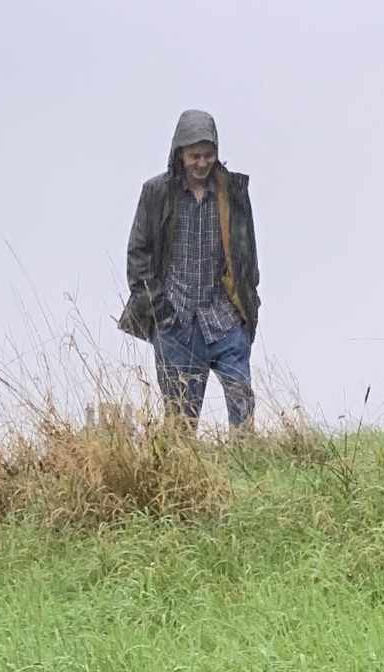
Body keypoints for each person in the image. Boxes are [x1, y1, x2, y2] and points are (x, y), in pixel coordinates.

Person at [120, 109, 260, 432]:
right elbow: (138, 255)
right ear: (179, 153)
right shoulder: (156, 193)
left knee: (243, 407)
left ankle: (246, 472)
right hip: (175, 323)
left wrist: (245, 312)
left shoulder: (234, 193)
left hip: (224, 321)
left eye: (208, 155)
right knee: (181, 425)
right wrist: (160, 314)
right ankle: (188, 480)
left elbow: (247, 256)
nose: (202, 163)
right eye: (195, 155)